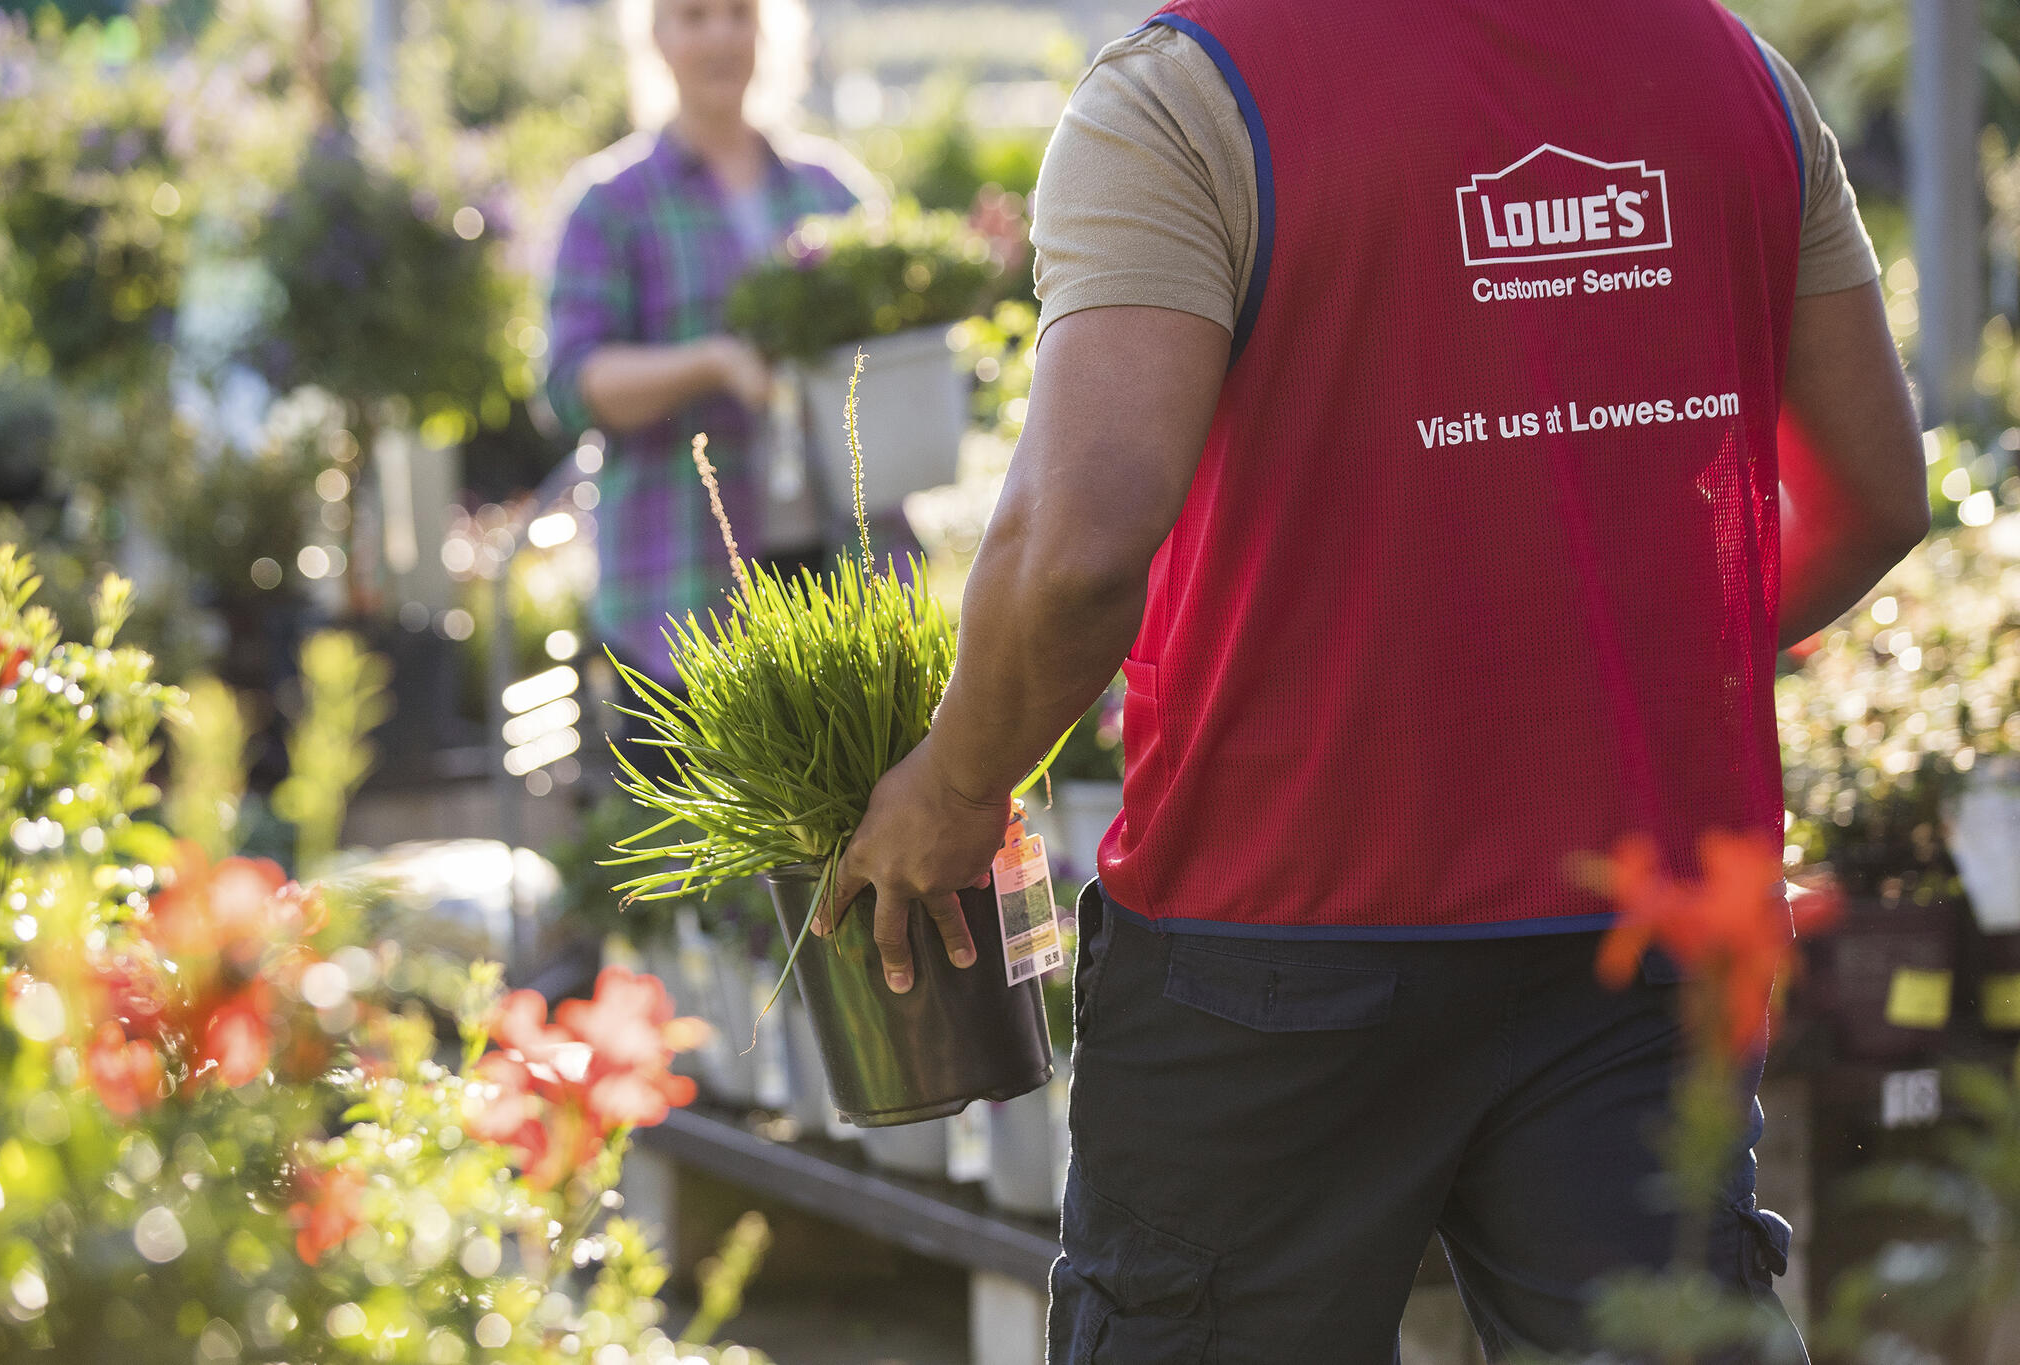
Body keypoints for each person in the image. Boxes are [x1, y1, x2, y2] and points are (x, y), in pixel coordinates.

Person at [828, 0, 1930, 1358]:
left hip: (1276, 937)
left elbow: (1075, 553)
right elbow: (1874, 498)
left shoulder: (1188, 94)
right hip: (1640, 939)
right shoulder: (1739, 81)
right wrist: (1612, 662)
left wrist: (954, 787)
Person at [544, 0, 875, 684]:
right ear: (657, 37)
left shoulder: (831, 191)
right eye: (694, 16)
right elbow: (574, 386)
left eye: (738, 13)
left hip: (840, 571)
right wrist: (713, 364)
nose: (721, 34)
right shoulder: (611, 204)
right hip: (680, 589)